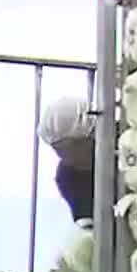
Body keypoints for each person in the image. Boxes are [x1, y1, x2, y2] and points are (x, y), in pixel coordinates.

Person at [39, 96, 97, 229]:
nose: (68, 156)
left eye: (74, 146)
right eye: (58, 149)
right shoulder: (68, 177)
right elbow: (88, 228)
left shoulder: (126, 145)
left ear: (91, 135)